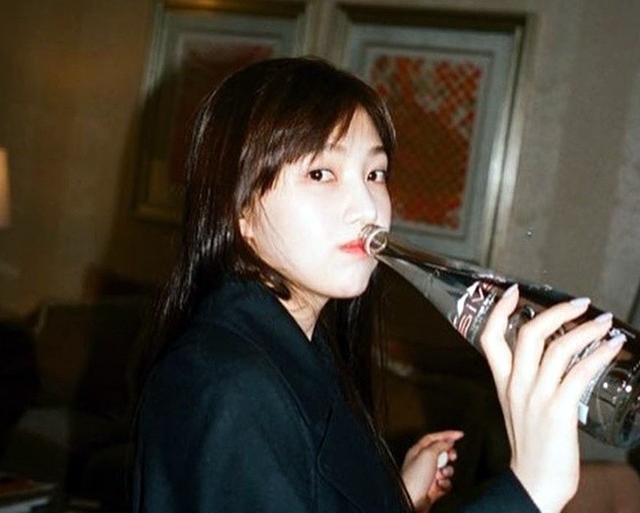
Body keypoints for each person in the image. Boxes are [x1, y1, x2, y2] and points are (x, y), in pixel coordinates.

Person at [132, 57, 624, 513]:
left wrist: (395, 498)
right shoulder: (228, 385)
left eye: (375, 173)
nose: (368, 208)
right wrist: (530, 491)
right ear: (239, 210)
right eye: (321, 173)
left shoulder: (298, 347)